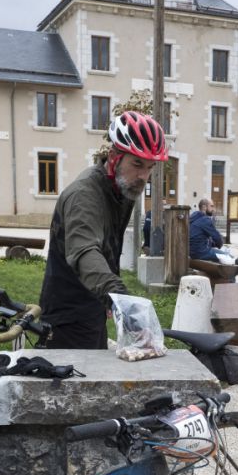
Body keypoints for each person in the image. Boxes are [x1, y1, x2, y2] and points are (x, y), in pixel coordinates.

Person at [39, 111, 168, 349]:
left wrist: (107, 298)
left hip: (92, 303)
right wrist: (119, 298)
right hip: (67, 316)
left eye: (150, 167)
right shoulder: (84, 195)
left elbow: (107, 246)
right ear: (114, 157)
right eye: (137, 163)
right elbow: (85, 251)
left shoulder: (122, 189)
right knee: (81, 384)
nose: (143, 176)